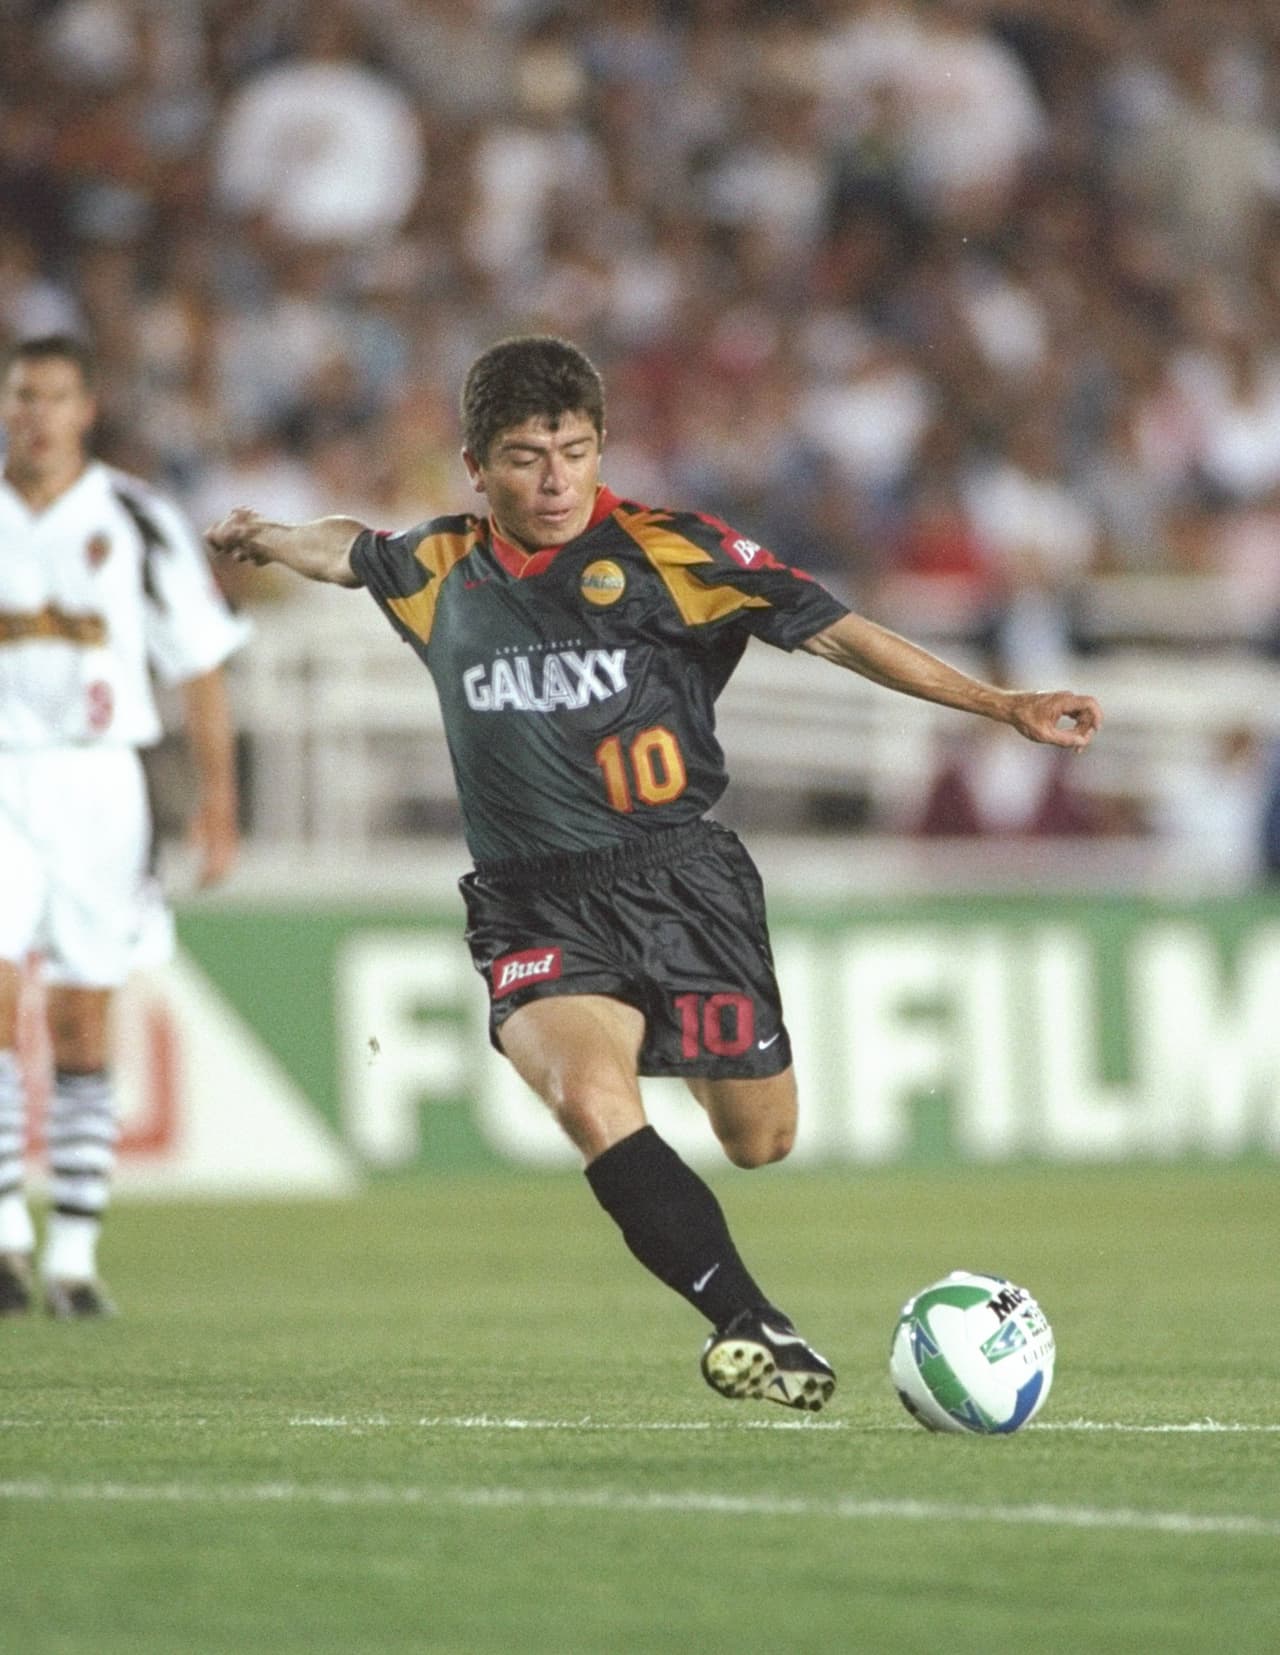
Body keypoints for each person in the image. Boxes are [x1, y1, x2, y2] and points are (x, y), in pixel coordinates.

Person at [207, 335, 1101, 1410]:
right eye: (528, 456)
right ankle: (752, 1321)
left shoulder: (670, 550)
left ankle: (727, 1254)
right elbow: (349, 546)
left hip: (680, 882)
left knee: (759, 1139)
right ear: (474, 464)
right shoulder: (440, 564)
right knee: (586, 1095)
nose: (553, 480)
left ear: (599, 450)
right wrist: (266, 535)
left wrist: (998, 706)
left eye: (574, 452)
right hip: (528, 896)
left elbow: (838, 634)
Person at [0, 334, 247, 1319]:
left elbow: (200, 665)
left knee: (81, 1015)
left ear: (86, 407)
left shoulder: (139, 518)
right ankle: (8, 1235)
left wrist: (218, 806)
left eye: (55, 396)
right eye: (22, 395)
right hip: (1, 774)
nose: (37, 413)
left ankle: (75, 1251)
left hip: (103, 785)